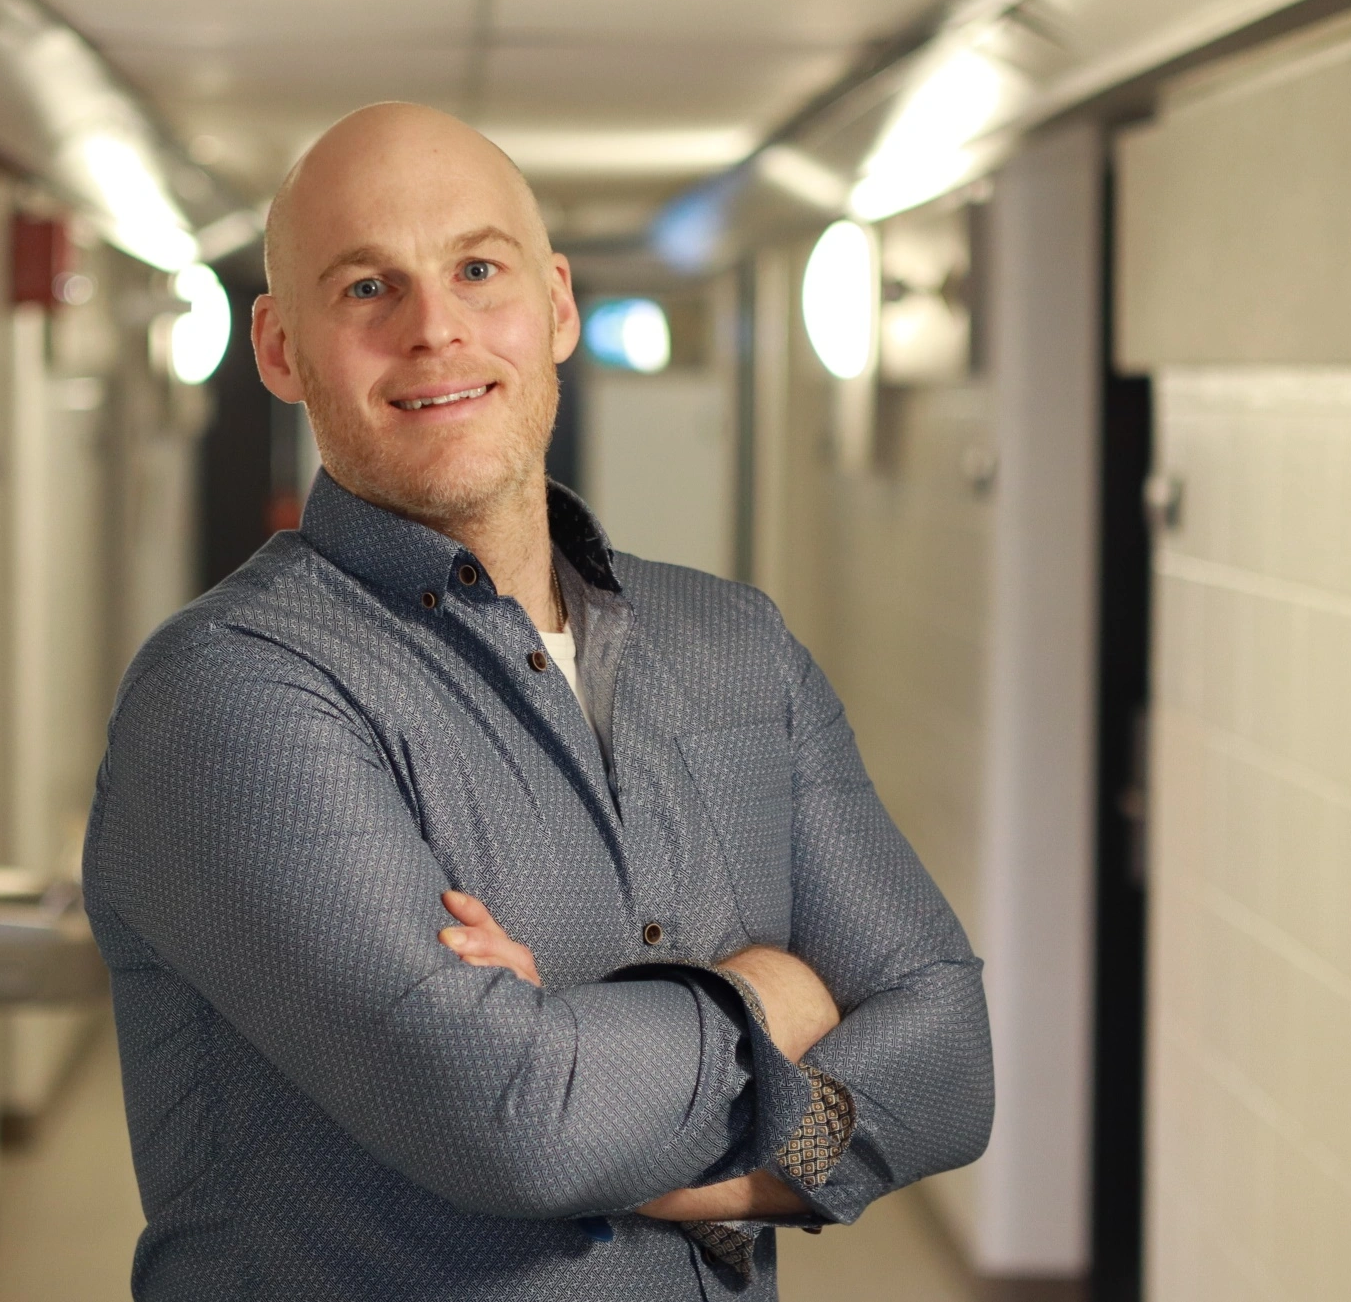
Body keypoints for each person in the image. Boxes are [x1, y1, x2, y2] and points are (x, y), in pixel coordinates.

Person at [81, 101, 991, 1301]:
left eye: (476, 269)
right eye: (366, 288)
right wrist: (763, 993)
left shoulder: (733, 648)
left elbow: (949, 1058)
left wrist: (669, 1145)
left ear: (555, 305)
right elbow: (515, 1119)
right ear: (279, 347)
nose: (434, 330)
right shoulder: (230, 697)